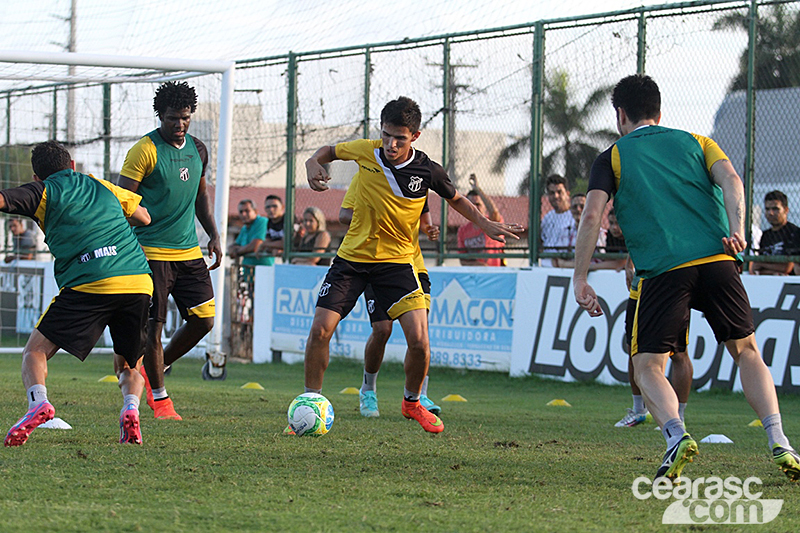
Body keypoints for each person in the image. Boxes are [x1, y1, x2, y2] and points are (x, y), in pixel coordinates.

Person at [573, 74, 799, 481]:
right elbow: (731, 179)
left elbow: (592, 216)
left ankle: (676, 436)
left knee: (647, 367)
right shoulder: (698, 141)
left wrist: (580, 277)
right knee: (747, 351)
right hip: (718, 259)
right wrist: (739, 230)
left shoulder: (612, 157)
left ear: (620, 114)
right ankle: (779, 439)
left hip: (663, 270)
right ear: (660, 112)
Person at [304, 96, 521, 433]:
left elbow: (457, 199)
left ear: (415, 137)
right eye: (387, 135)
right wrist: (311, 164)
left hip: (398, 263)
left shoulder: (427, 169)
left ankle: (411, 402)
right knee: (320, 329)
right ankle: (309, 403)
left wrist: (486, 224)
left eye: (400, 138)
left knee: (419, 341)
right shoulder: (366, 150)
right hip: (352, 259)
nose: (391, 144)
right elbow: (326, 152)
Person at [3, 140, 152, 447]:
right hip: (137, 281)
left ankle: (38, 404)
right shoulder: (102, 185)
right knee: (129, 365)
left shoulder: (42, 191)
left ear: (36, 177)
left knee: (35, 351)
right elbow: (144, 217)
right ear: (72, 166)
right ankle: (131, 410)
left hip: (89, 283)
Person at [118, 81, 222, 421]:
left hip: (188, 252)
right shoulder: (144, 151)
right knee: (154, 329)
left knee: (204, 320)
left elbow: (200, 196)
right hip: (149, 253)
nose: (180, 125)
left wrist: (214, 234)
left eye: (186, 118)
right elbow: (123, 203)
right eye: (173, 118)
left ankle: (151, 371)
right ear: (160, 116)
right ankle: (161, 400)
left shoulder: (199, 149)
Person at [616, 258, 693, 428]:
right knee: (633, 349)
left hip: (671, 288)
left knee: (679, 353)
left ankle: (678, 416)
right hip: (640, 288)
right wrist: (630, 262)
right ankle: (639, 411)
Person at [457, 174, 506, 266]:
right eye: (471, 205)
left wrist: (478, 189)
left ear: (484, 207)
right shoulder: (463, 230)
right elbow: (463, 260)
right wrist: (479, 265)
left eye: (478, 204)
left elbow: (494, 212)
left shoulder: (491, 223)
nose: (474, 208)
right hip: (474, 275)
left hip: (493, 273)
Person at [749, 190, 800, 276]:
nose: (770, 213)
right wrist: (772, 271)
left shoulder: (795, 233)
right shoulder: (765, 235)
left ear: (786, 210)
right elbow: (755, 269)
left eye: (775, 209)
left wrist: (762, 265)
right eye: (767, 209)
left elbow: (789, 267)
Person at [540, 174, 574, 267]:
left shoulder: (574, 217)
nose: (556, 196)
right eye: (552, 193)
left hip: (566, 267)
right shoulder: (547, 218)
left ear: (567, 194)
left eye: (559, 192)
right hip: (545, 267)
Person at [229, 199, 271, 267]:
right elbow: (233, 246)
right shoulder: (244, 228)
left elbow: (255, 246)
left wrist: (237, 251)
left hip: (262, 270)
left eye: (247, 211)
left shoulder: (262, 222)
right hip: (247, 271)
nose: (243, 214)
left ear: (256, 211)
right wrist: (231, 249)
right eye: (241, 211)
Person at [257, 194, 285, 261]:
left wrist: (265, 245)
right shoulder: (269, 222)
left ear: (282, 207)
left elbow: (286, 243)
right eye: (268, 207)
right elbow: (268, 242)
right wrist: (269, 247)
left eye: (274, 206)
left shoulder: (289, 219)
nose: (271, 210)